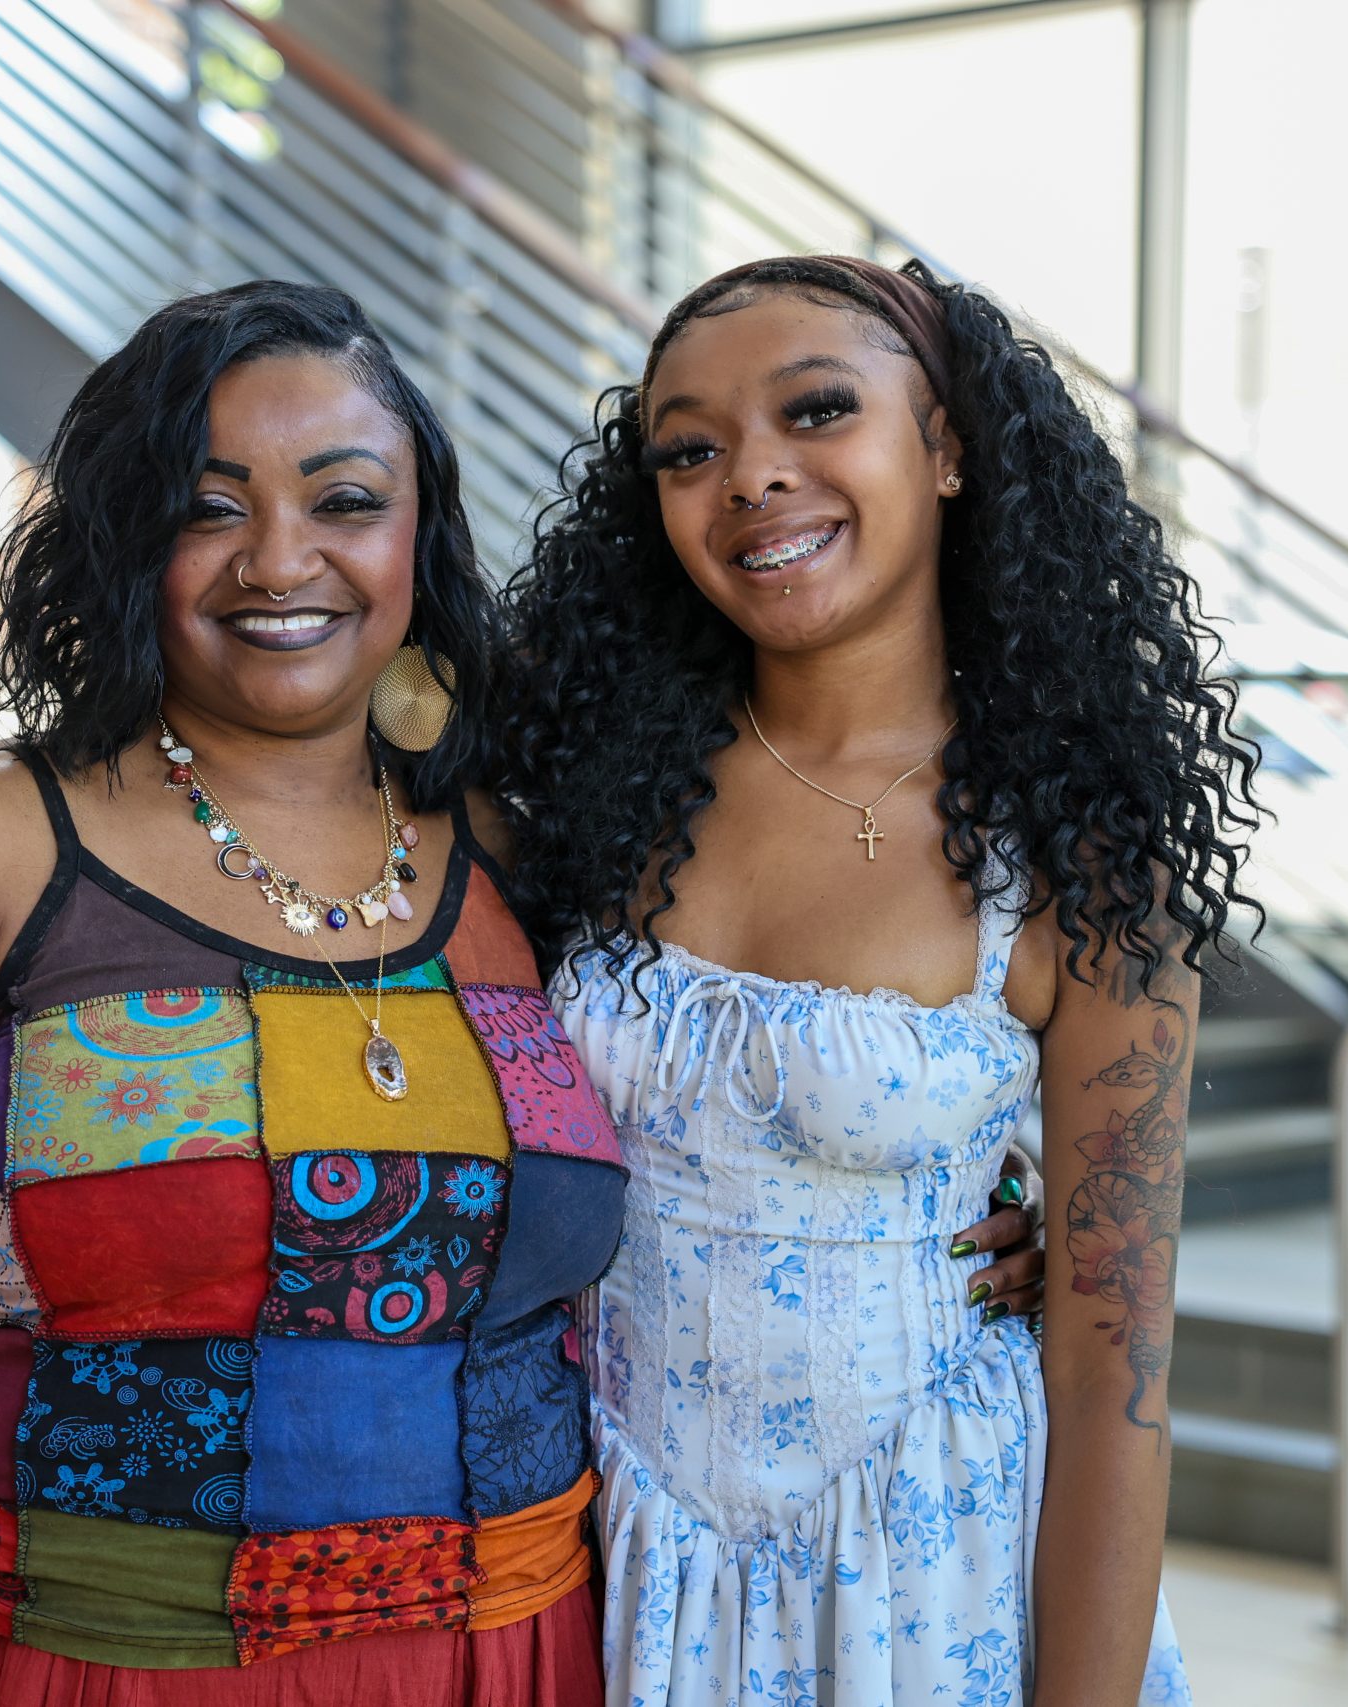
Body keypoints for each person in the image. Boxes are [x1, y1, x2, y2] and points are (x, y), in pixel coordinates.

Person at [0, 280, 618, 1704]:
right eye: (210, 509)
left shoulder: (528, 849)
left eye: (344, 501)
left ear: (417, 536)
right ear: (125, 541)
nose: (281, 560)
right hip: (70, 1661)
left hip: (510, 1658)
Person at [501, 255, 1256, 1704]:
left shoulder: (1080, 857)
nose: (751, 478)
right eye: (690, 448)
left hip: (931, 1578)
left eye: (817, 411)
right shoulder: (573, 791)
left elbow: (1115, 1367)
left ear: (950, 447)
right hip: (606, 1553)